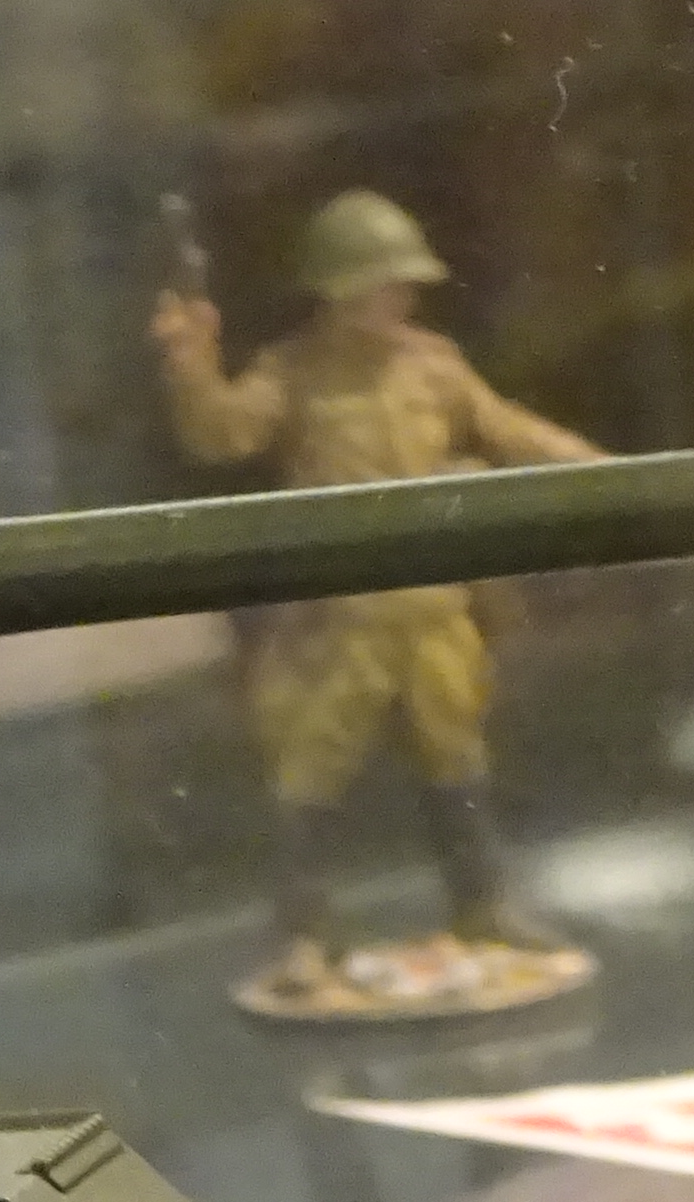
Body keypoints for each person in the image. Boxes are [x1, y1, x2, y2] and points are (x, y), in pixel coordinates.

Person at [154, 188, 599, 993]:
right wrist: (192, 362)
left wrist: (604, 475)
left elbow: (507, 428)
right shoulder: (293, 373)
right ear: (337, 290)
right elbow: (222, 434)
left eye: (403, 285)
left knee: (457, 762)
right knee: (310, 778)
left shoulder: (433, 364)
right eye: (380, 285)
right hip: (342, 619)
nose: (398, 299)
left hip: (433, 612)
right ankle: (303, 938)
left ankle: (483, 907)